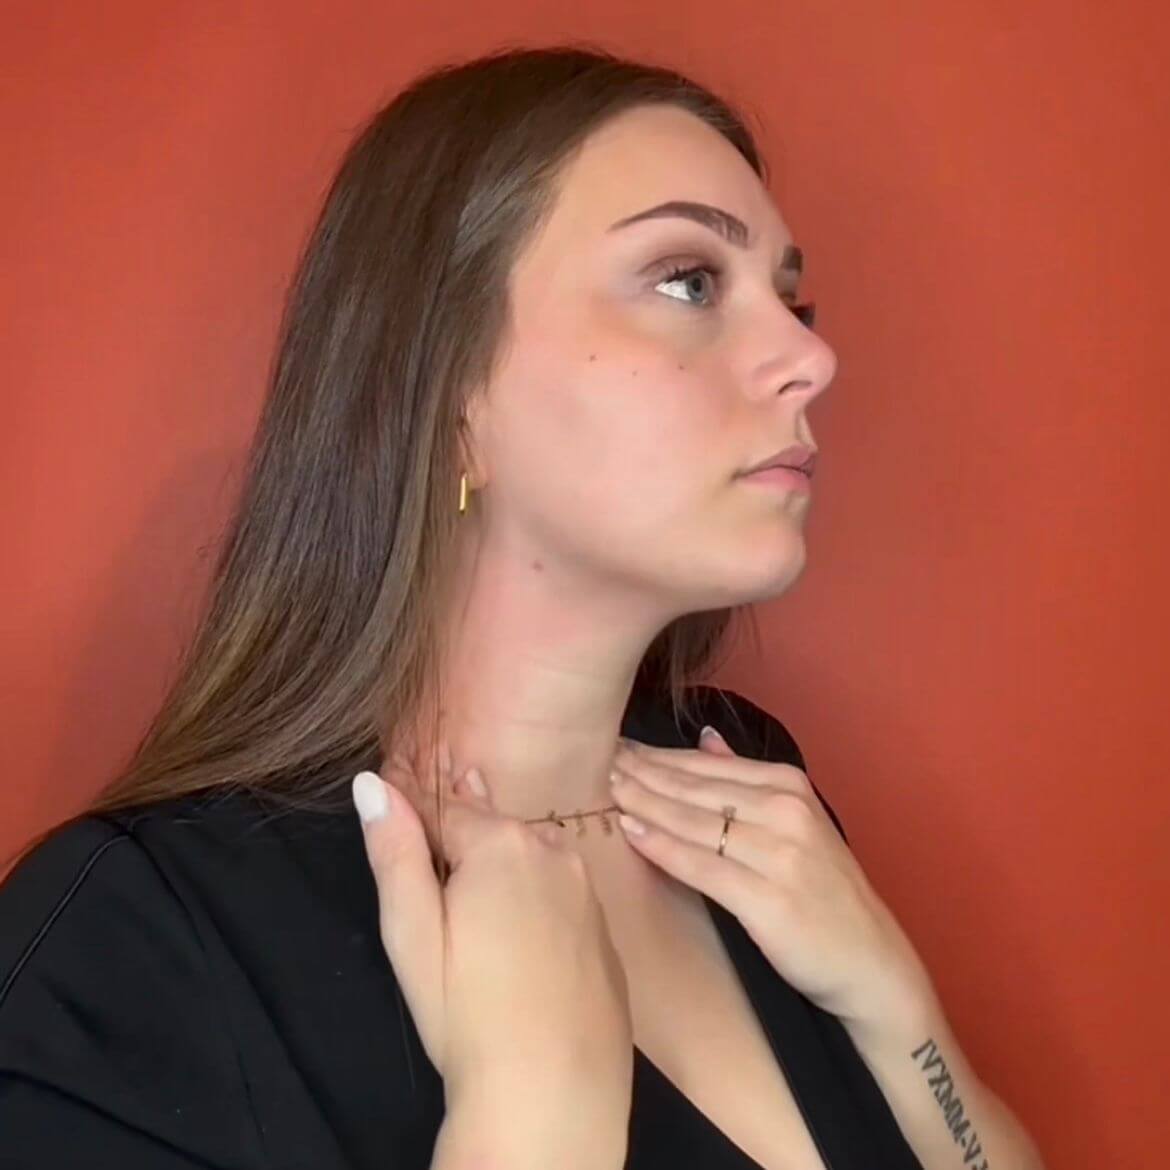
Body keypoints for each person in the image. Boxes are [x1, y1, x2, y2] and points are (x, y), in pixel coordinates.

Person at [2, 43, 1009, 1170]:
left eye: (788, 294)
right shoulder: (136, 949)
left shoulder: (744, 782)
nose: (810, 356)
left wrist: (895, 1009)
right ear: (450, 393)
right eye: (688, 282)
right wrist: (535, 1116)